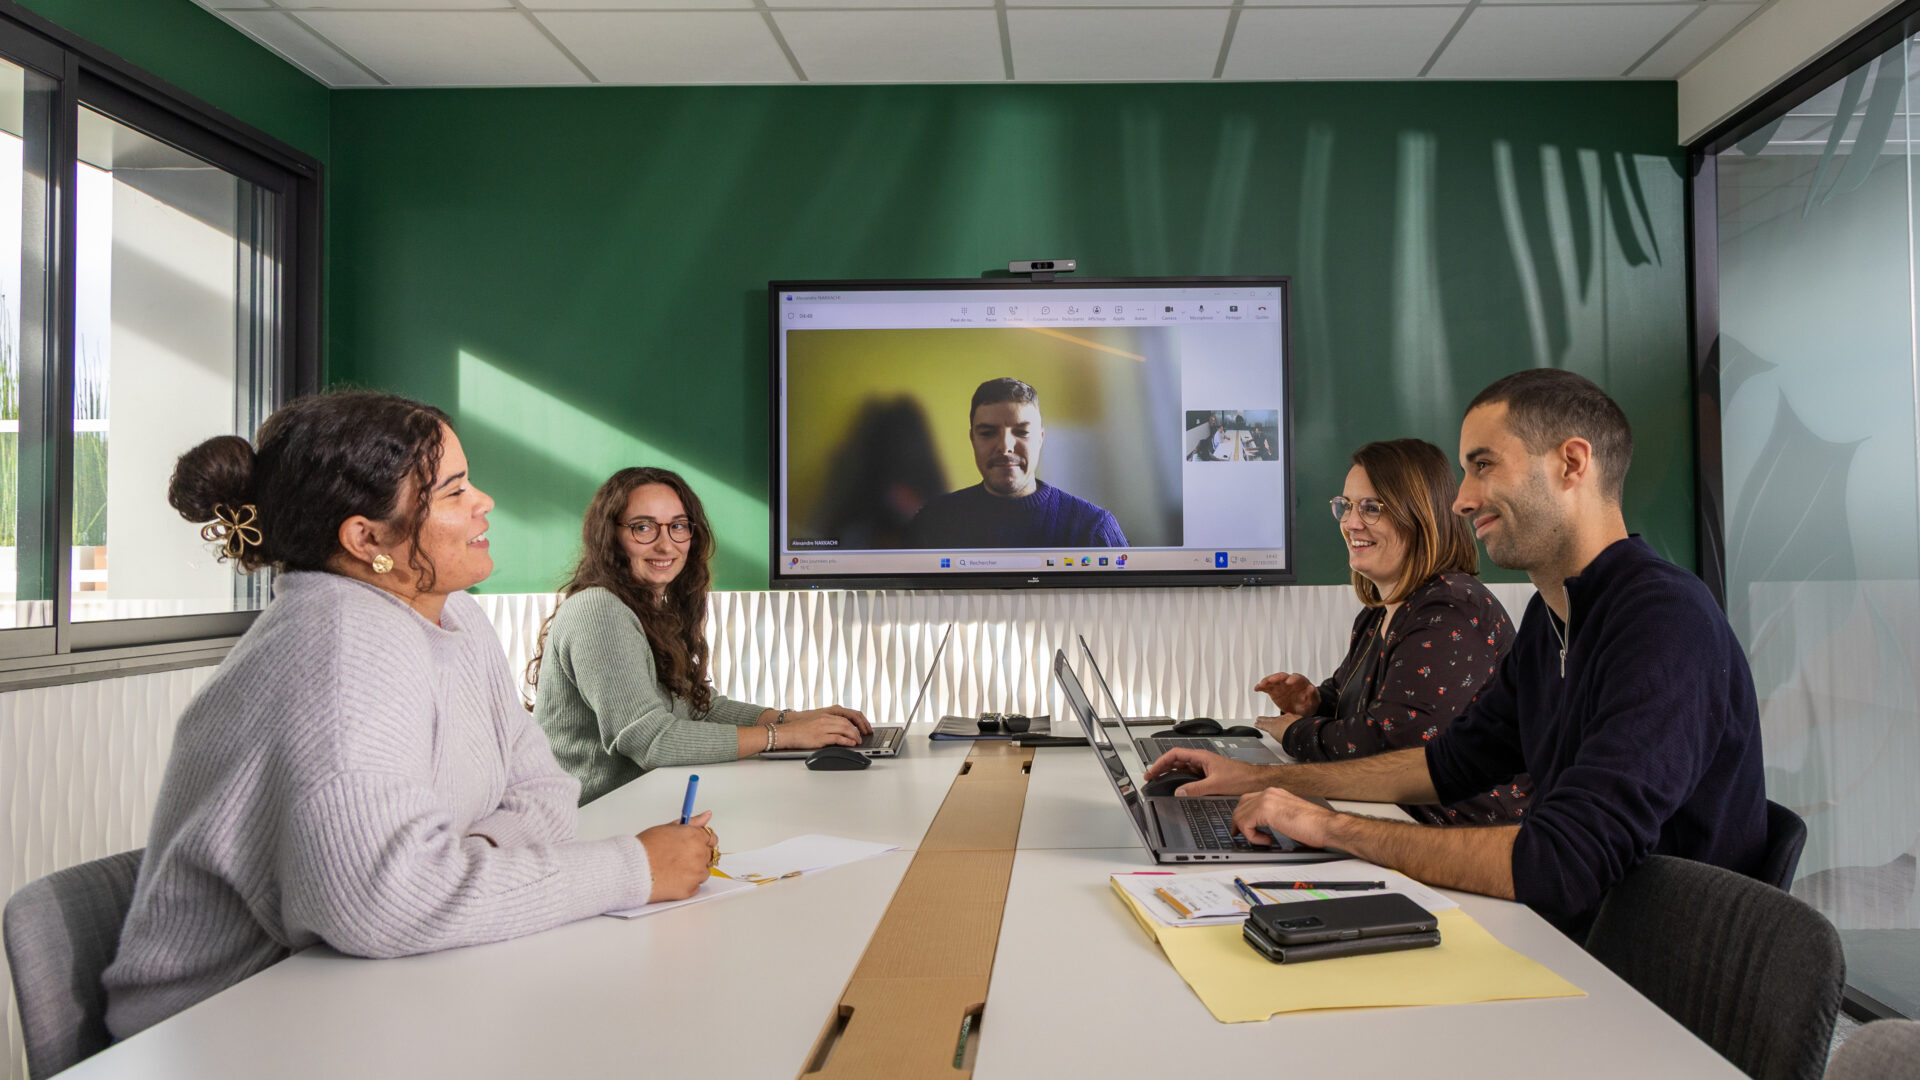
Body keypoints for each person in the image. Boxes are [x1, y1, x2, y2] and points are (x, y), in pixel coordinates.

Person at [104, 392, 715, 1040]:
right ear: (367, 539)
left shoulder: (452, 613)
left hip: (363, 991)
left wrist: (461, 866)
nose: (485, 502)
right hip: (229, 1033)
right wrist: (635, 870)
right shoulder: (338, 651)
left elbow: (546, 791)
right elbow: (389, 901)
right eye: (454, 492)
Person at [1146, 369, 1767, 938]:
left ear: (1572, 463)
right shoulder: (1555, 618)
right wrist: (1263, 779)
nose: (1463, 499)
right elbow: (1443, 765)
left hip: (1639, 972)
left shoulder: (1663, 620)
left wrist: (1328, 825)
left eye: (1484, 466)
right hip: (1568, 930)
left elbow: (1564, 863)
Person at [531, 467, 871, 803]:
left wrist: (796, 719)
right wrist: (782, 735)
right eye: (643, 527)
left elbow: (698, 708)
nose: (666, 545)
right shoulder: (598, 611)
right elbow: (652, 741)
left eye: (678, 526)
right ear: (610, 535)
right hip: (591, 826)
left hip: (641, 810)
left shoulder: (646, 608)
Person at [1254, 439, 1525, 825]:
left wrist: (1295, 732)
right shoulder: (1380, 611)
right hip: (1394, 819)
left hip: (1459, 837)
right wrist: (1315, 703)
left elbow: (1393, 747)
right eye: (1345, 506)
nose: (1350, 523)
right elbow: (1366, 704)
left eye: (1371, 508)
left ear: (1421, 516)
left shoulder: (1450, 610)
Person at [905, 377, 1127, 547]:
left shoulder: (1093, 528)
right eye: (988, 433)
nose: (1005, 447)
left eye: (1021, 432)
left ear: (1040, 439)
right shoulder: (932, 522)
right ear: (973, 439)